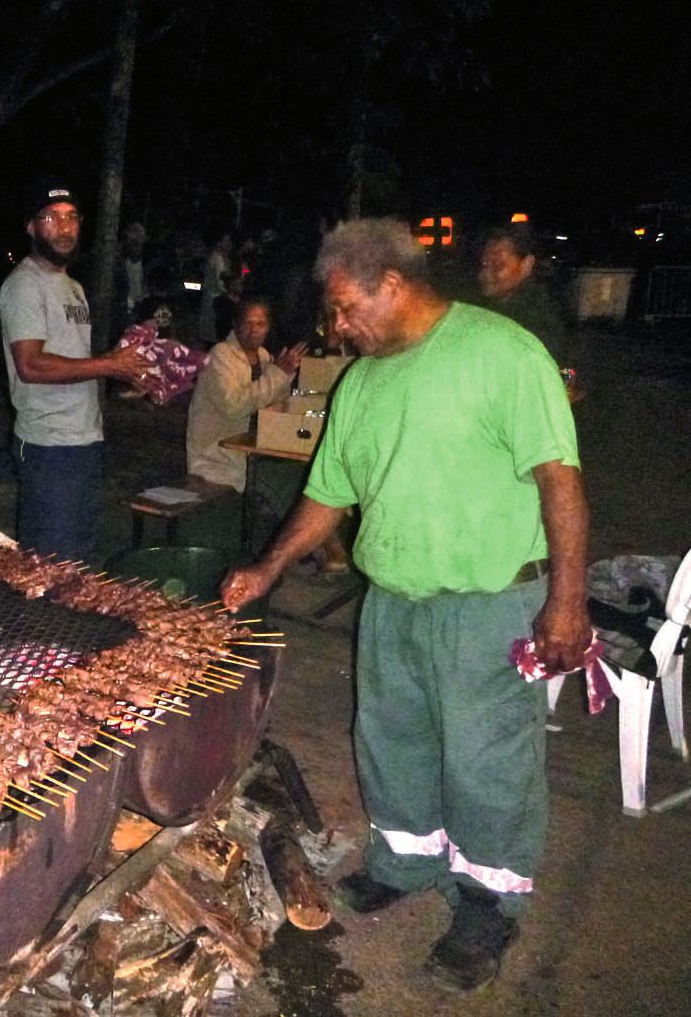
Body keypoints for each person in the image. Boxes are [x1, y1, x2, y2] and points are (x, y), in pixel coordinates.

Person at [221, 219, 590, 992]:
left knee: (487, 759)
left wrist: (566, 599)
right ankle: (404, 861)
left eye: (347, 307)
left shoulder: (501, 352)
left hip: (488, 600)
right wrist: (267, 566)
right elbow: (327, 494)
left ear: (392, 284)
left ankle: (487, 902)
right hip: (391, 598)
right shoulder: (359, 382)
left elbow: (559, 478)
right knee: (391, 738)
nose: (337, 325)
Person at [0, 177, 151, 561]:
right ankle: (34, 623)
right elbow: (30, 365)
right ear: (32, 227)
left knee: (79, 559)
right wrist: (107, 364)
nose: (64, 227)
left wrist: (123, 370)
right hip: (48, 444)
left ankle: (64, 622)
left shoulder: (74, 288)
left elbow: (77, 362)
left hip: (83, 439)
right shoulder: (24, 286)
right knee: (49, 562)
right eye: (52, 218)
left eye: (71, 218)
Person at [185, 297, 305, 492]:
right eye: (248, 323)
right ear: (235, 324)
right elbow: (234, 406)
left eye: (260, 324)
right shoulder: (220, 356)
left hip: (252, 451)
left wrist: (286, 374)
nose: (254, 329)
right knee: (283, 486)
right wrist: (277, 375)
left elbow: (274, 401)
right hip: (218, 457)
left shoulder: (264, 356)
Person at [477, 225, 572, 367]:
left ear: (527, 264)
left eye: (498, 265)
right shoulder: (496, 305)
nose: (484, 274)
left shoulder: (539, 316)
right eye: (484, 264)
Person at [198, 230, 234, 343]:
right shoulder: (218, 259)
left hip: (212, 296)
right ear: (219, 242)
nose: (229, 244)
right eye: (226, 241)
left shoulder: (216, 257)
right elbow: (220, 282)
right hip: (215, 299)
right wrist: (230, 291)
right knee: (213, 331)